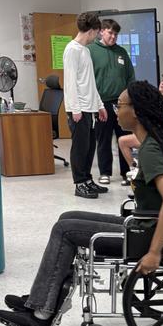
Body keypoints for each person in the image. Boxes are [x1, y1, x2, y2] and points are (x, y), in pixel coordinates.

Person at [0, 81, 163, 326]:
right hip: (142, 225)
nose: (115, 109)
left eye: (119, 105)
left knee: (65, 229)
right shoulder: (155, 141)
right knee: (67, 217)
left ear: (137, 111)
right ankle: (42, 297)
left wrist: (154, 253)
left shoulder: (151, 149)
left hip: (144, 235)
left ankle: (40, 313)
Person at [62, 12, 107, 199]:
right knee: (80, 148)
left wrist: (100, 105)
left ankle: (87, 179)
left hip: (90, 108)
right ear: (92, 30)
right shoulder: (72, 50)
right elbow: (70, 81)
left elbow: (90, 83)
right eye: (97, 32)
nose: (97, 36)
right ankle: (79, 183)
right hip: (79, 109)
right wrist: (75, 109)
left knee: (89, 147)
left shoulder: (85, 50)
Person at [88, 17, 135, 187]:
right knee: (104, 138)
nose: (113, 37)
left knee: (124, 137)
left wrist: (130, 99)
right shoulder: (91, 50)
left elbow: (130, 76)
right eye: (110, 33)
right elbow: (88, 78)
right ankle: (105, 172)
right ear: (101, 31)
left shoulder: (121, 52)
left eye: (116, 34)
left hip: (122, 103)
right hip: (102, 102)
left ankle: (126, 172)